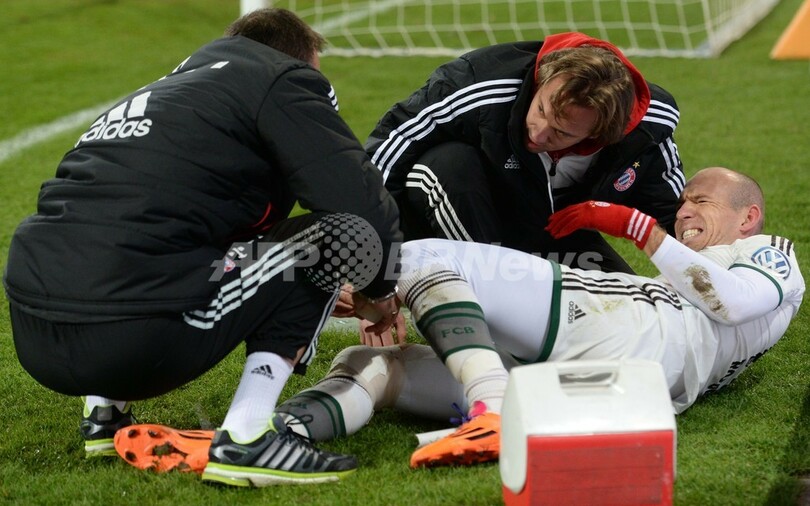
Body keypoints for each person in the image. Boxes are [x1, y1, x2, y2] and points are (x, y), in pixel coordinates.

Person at [2, 8, 402, 487]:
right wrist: (381, 290)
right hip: (130, 339)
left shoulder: (165, 90)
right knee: (331, 237)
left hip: (35, 334)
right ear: (298, 61)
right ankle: (249, 436)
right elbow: (360, 205)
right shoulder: (280, 78)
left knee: (141, 234)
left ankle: (104, 414)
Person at [273, 166, 803, 468]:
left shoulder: (768, 254)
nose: (684, 210)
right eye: (682, 201)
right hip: (622, 387)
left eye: (702, 201)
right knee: (374, 364)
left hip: (632, 326)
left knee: (422, 255)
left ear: (748, 217)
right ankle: (281, 432)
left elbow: (733, 301)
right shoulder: (704, 282)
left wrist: (639, 228)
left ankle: (492, 409)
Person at [367, 32, 685, 274]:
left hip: (548, 233)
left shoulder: (646, 130)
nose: (538, 132)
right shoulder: (477, 83)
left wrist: (704, 272)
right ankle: (481, 292)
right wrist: (374, 267)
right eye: (541, 109)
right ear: (542, 80)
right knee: (450, 164)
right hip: (452, 217)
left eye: (562, 132)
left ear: (600, 133)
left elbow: (673, 215)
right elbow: (384, 156)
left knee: (629, 308)